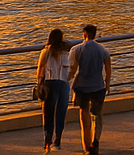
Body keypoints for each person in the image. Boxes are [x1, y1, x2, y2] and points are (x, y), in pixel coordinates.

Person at [68, 24, 111, 155]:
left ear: (84, 34)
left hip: (81, 87)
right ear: (95, 34)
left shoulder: (77, 49)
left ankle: (87, 147)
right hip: (98, 86)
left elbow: (73, 68)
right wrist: (107, 83)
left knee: (84, 117)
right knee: (97, 115)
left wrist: (67, 80)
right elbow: (108, 68)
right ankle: (96, 139)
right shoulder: (102, 49)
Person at [35, 29, 71, 154]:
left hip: (49, 83)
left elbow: (40, 70)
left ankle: (47, 141)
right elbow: (71, 68)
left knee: (48, 113)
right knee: (61, 112)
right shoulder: (66, 52)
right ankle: (58, 139)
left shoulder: (45, 52)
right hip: (63, 83)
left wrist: (39, 84)